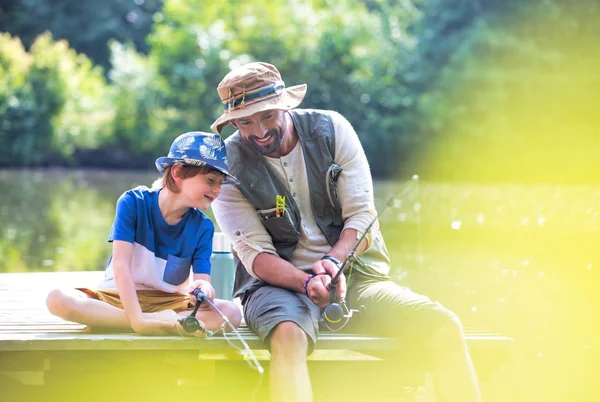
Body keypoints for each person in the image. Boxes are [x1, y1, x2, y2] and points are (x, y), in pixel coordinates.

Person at [210, 62, 482, 402]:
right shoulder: (225, 165)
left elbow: (362, 217)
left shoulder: (333, 129)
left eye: (267, 116)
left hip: (356, 276)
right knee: (288, 337)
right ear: (233, 122)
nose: (260, 131)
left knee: (444, 327)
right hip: (273, 284)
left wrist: (334, 261)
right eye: (246, 122)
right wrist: (307, 282)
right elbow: (257, 256)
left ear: (284, 105)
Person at [46, 132, 242, 336]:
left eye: (221, 182)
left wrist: (203, 291)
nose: (218, 190)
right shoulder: (133, 202)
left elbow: (203, 281)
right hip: (118, 297)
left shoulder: (203, 227)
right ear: (178, 172)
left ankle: (110, 321)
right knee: (57, 299)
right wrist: (137, 320)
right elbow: (121, 265)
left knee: (231, 313)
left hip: (169, 302)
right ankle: (162, 323)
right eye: (211, 180)